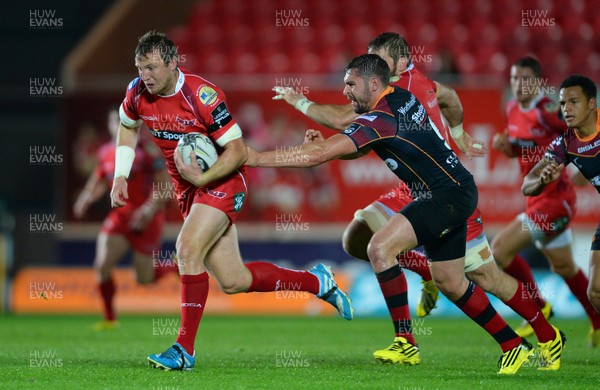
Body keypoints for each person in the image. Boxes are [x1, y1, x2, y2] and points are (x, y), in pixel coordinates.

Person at [247, 53, 565, 374]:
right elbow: (353, 142)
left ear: (374, 83)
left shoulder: (380, 119)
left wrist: (256, 158)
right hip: (455, 190)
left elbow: (321, 155)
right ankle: (513, 345)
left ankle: (406, 342)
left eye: (350, 84)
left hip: (443, 195)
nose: (345, 91)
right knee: (451, 281)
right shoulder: (401, 98)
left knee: (380, 248)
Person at [110, 31, 353, 371]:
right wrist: (121, 173)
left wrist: (203, 178)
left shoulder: (202, 95)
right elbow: (126, 125)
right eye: (139, 68)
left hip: (223, 180)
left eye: (151, 67)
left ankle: (183, 350)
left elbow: (237, 152)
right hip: (190, 190)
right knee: (234, 280)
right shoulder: (136, 92)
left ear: (172, 62)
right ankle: (318, 281)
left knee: (187, 248)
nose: (145, 76)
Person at [274, 31, 485, 319]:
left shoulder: (397, 93)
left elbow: (340, 120)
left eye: (380, 60)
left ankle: (539, 329)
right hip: (417, 186)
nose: (375, 65)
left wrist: (300, 103)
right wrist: (459, 134)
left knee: (485, 275)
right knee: (357, 238)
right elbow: (450, 95)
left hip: (438, 188)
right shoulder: (408, 85)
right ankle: (427, 280)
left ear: (399, 63)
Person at [492, 57, 600, 343]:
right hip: (539, 197)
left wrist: (575, 168)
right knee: (565, 268)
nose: (519, 85)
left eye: (525, 79)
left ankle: (539, 308)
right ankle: (598, 322)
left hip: (556, 202)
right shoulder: (512, 108)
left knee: (500, 250)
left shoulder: (549, 110)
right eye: (514, 79)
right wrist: (511, 148)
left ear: (538, 82)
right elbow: (531, 150)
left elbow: (578, 135)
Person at [73, 108, 175, 330]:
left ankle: (175, 267)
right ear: (109, 126)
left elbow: (165, 186)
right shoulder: (105, 152)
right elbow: (99, 180)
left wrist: (148, 210)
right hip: (120, 216)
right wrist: (85, 199)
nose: (117, 126)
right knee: (102, 265)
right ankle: (110, 319)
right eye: (113, 122)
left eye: (121, 122)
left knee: (143, 279)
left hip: (146, 218)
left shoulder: (148, 151)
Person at [523, 74, 600, 347]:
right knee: (596, 292)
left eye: (574, 101)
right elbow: (527, 184)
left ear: (592, 103)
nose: (566, 108)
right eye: (563, 102)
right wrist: (543, 178)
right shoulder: (565, 143)